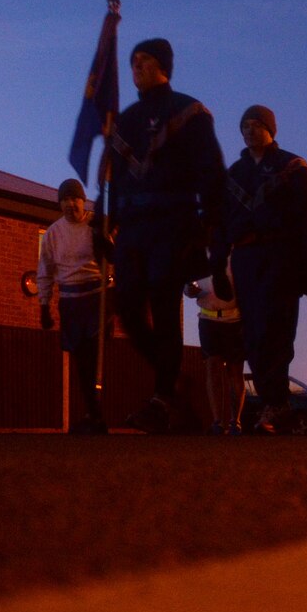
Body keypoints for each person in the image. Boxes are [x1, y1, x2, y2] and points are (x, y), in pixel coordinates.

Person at [102, 37, 226, 434]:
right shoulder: (126, 118)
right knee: (126, 305)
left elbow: (210, 167)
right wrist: (107, 221)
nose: (136, 66)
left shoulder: (188, 111)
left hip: (173, 219)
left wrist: (211, 223)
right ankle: (172, 380)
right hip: (134, 226)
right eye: (133, 60)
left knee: (163, 301)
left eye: (145, 60)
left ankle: (161, 398)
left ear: (163, 66)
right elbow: (117, 178)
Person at [215, 105, 307, 434]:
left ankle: (276, 404)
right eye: (244, 125)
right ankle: (277, 403)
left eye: (256, 124)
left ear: (270, 129)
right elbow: (219, 224)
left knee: (279, 330)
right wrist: (218, 266)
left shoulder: (294, 168)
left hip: (282, 255)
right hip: (247, 259)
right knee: (256, 335)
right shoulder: (233, 174)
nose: (249, 130)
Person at [36, 178, 107, 434]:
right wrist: (44, 306)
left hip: (95, 296)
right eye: (64, 199)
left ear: (83, 200)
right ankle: (93, 414)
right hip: (69, 299)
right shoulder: (54, 233)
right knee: (81, 360)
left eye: (74, 198)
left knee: (95, 357)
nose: (69, 204)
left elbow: (114, 257)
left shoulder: (95, 225)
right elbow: (45, 270)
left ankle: (97, 412)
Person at [184, 267, 245, 434]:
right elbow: (187, 287)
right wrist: (189, 290)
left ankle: (235, 421)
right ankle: (217, 421)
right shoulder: (198, 256)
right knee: (212, 368)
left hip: (234, 319)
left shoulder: (232, 254)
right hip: (207, 318)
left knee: (235, 370)